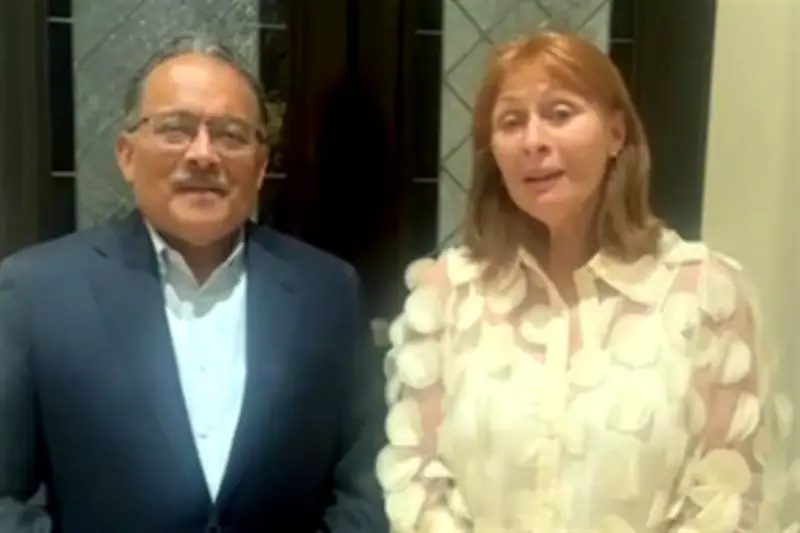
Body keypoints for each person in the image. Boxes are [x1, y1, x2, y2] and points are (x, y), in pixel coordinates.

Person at [376, 32, 799, 532]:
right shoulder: (447, 296)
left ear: (616, 133)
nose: (533, 141)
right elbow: (419, 484)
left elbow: (735, 501)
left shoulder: (706, 296)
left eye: (559, 113)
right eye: (511, 122)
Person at [0, 35, 387, 533]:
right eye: (175, 129)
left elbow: (365, 483)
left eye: (231, 135)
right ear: (126, 154)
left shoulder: (328, 291)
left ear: (260, 166)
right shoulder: (36, 291)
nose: (203, 154)